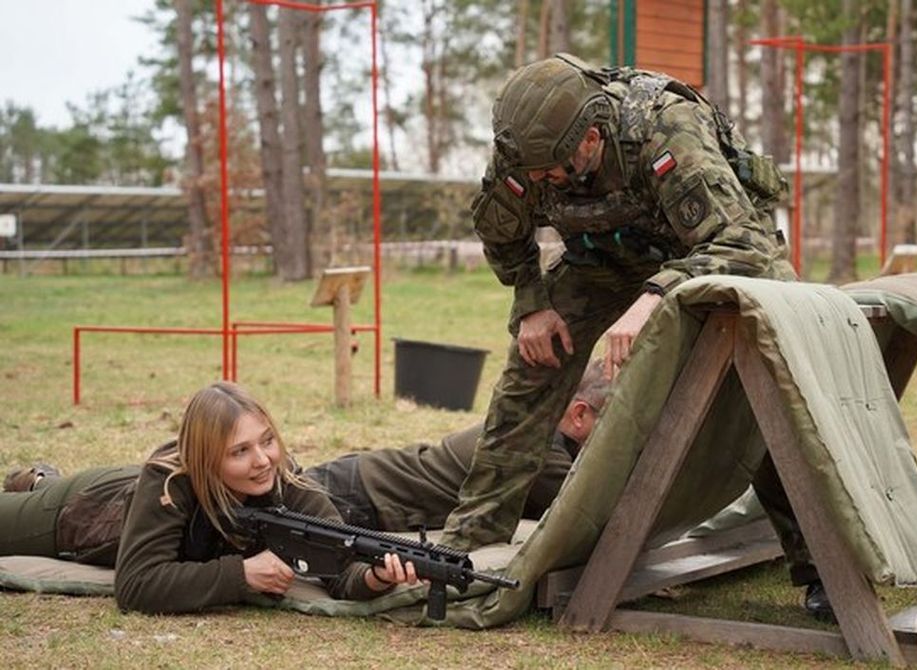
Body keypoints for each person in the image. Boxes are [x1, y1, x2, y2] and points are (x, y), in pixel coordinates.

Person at [440, 53, 831, 620]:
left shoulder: (665, 128)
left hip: (709, 257)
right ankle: (473, 536)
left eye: (555, 170)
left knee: (766, 388)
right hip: (601, 261)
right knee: (532, 368)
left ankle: (819, 565)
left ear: (593, 138)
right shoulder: (522, 151)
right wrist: (531, 304)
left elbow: (744, 241)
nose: (544, 181)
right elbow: (502, 231)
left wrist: (656, 297)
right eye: (535, 174)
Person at [0, 382, 420, 614]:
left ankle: (39, 477)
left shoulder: (286, 482)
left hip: (129, 491)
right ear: (205, 459)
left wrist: (375, 577)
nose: (262, 461)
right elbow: (136, 586)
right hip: (84, 511)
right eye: (240, 451)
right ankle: (40, 482)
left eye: (268, 441)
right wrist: (241, 574)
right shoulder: (168, 481)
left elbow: (341, 570)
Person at [304, 358, 610, 532]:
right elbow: (594, 515)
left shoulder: (538, 431)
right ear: (579, 414)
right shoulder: (537, 452)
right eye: (612, 421)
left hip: (363, 487)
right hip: (355, 495)